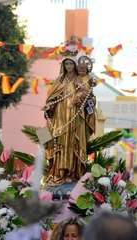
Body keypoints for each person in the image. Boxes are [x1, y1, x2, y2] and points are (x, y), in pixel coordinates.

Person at [44, 53, 95, 186]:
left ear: (75, 65)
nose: (69, 66)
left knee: (72, 143)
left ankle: (73, 173)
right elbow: (51, 98)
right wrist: (49, 106)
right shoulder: (59, 81)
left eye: (71, 64)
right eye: (66, 64)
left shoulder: (80, 80)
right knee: (57, 141)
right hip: (59, 116)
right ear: (63, 66)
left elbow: (89, 97)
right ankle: (57, 172)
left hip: (75, 116)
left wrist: (84, 96)